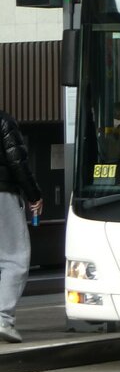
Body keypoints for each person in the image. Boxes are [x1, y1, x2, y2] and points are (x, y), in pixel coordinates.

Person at [0, 107, 43, 344]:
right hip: (2, 195)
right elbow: (17, 161)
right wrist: (34, 195)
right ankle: (3, 318)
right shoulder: (4, 121)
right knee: (14, 257)